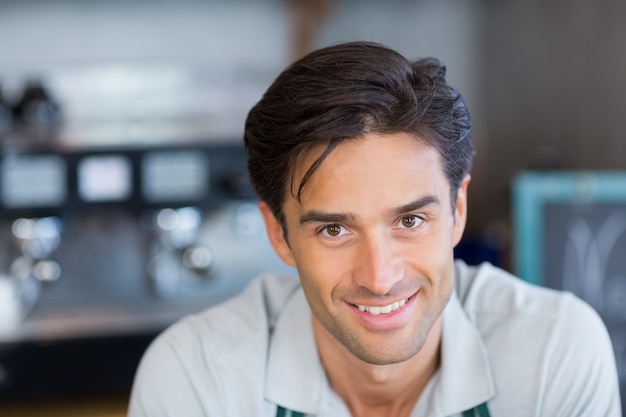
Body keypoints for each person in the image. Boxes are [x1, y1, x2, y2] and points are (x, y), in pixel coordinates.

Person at [128, 41, 621, 417]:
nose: (380, 277)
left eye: (410, 220)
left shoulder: (554, 353)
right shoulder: (197, 377)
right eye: (334, 231)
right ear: (279, 235)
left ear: (458, 210)